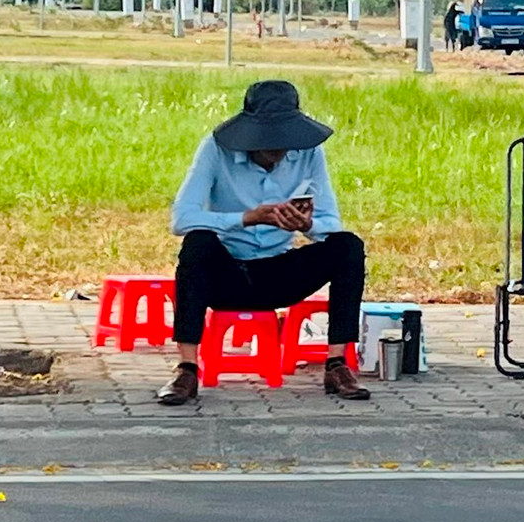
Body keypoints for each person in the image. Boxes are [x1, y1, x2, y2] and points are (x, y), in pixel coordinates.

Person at [157, 80, 372, 405]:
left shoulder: (309, 153)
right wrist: (246, 218)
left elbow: (331, 223)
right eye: (268, 142)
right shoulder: (216, 149)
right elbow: (182, 218)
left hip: (279, 272)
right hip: (226, 272)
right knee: (198, 243)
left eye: (284, 141)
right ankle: (187, 367)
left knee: (348, 246)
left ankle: (337, 363)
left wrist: (307, 225)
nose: (277, 150)